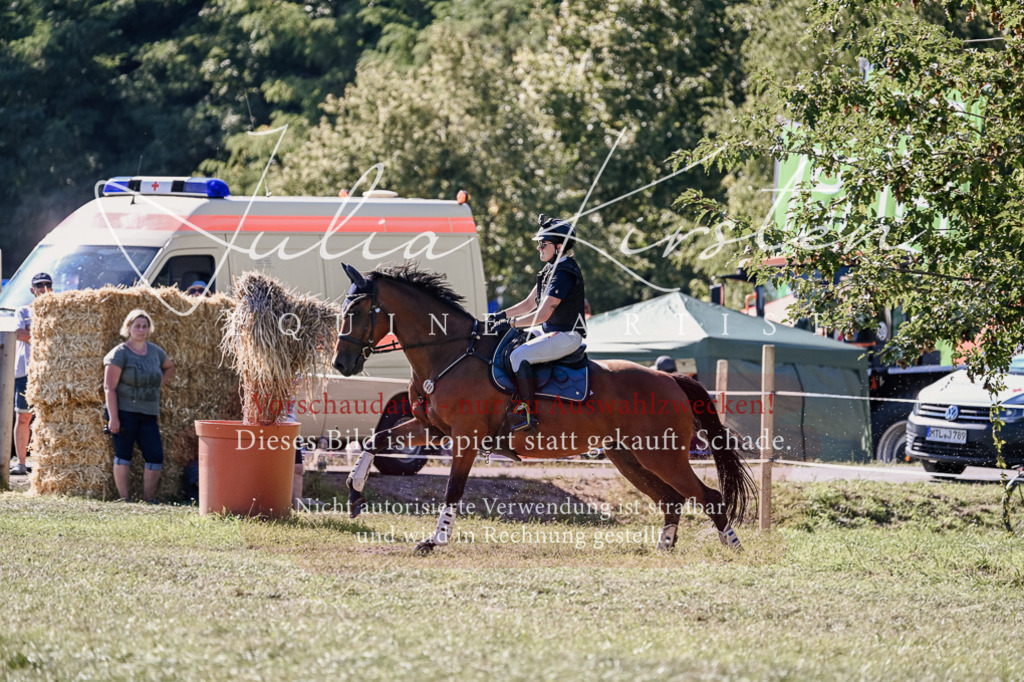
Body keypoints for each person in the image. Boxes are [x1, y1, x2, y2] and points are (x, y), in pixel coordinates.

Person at [488, 215, 587, 432]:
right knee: (507, 346)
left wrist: (512, 324)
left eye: (543, 244)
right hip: (549, 331)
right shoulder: (549, 270)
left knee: (518, 355)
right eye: (538, 244)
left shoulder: (564, 272)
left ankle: (527, 413)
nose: (539, 248)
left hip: (567, 335)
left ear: (559, 246)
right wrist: (499, 316)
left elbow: (543, 314)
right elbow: (529, 303)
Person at [103, 309, 175, 502]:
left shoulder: (155, 352)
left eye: (145, 326)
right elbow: (109, 387)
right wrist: (114, 418)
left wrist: (157, 385)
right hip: (125, 411)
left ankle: (149, 498)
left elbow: (169, 367)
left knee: (155, 456)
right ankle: (124, 498)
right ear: (128, 328)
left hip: (149, 412)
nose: (141, 330)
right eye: (137, 326)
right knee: (123, 454)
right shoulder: (120, 353)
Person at [11, 273, 53, 476]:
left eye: (47, 285)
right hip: (25, 371)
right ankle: (20, 462)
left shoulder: (58, 312)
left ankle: (45, 462)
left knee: (49, 418)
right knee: (24, 417)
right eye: (39, 285)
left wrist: (35, 336)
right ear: (32, 289)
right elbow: (19, 334)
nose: (43, 288)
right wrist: (45, 337)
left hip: (49, 370)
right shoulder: (23, 311)